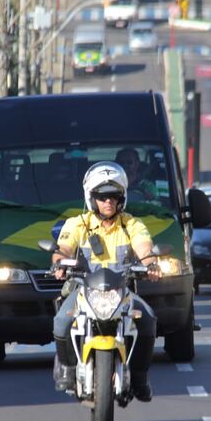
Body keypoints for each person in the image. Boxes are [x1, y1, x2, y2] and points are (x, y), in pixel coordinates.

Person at [52, 161, 161, 402]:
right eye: (102, 197)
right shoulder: (76, 224)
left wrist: (151, 263)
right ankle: (69, 369)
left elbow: (145, 248)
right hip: (83, 290)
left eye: (113, 196)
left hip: (121, 292)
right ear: (92, 198)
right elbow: (63, 249)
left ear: (122, 197)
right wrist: (59, 263)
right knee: (61, 321)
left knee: (149, 319)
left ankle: (141, 379)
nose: (108, 202)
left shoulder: (132, 224)